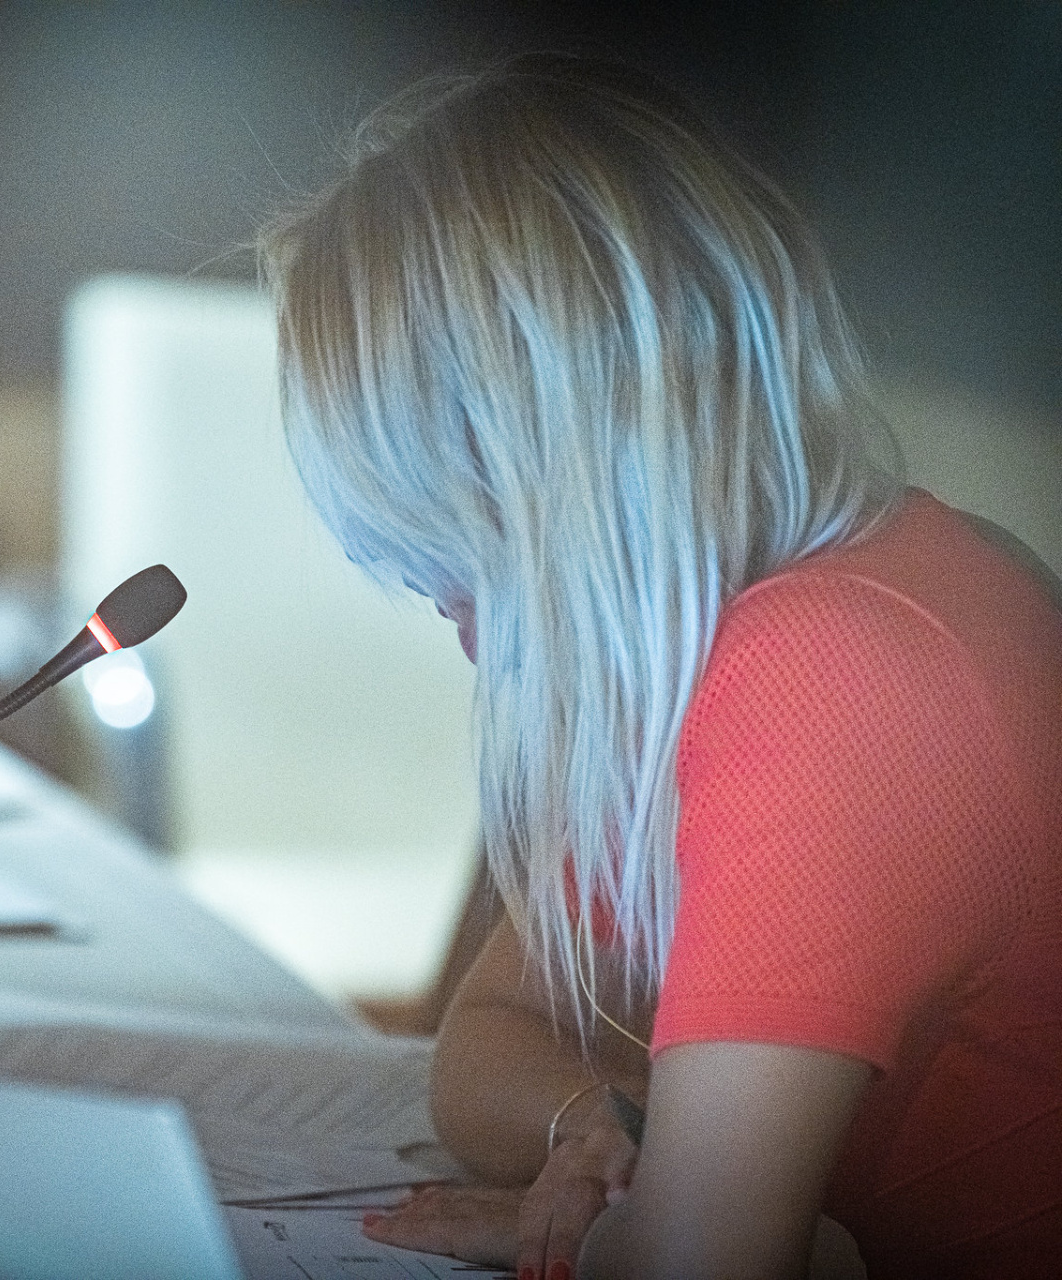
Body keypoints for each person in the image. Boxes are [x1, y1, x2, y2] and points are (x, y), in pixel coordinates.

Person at [260, 55, 1061, 1280]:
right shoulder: (738, 623)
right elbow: (484, 1038)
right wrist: (600, 1128)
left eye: (465, 560)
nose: (459, 626)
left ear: (570, 471)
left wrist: (611, 1227)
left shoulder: (827, 674)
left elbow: (704, 1260)